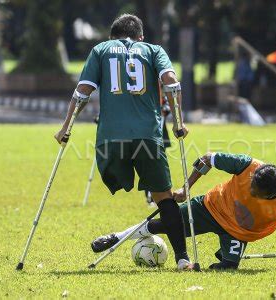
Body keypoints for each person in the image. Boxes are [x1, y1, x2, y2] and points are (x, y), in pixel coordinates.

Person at [54, 14, 193, 270]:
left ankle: (121, 180)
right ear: (141, 36)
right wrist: (178, 122)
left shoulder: (101, 50)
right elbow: (172, 83)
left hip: (110, 139)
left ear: (112, 36)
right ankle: (183, 259)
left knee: (116, 178)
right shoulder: (153, 50)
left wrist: (66, 127)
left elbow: (82, 91)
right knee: (164, 196)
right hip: (148, 137)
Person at [92, 152, 276, 270]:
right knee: (168, 223)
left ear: (272, 194)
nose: (250, 190)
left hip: (239, 232)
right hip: (211, 207)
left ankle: (226, 255)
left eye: (256, 192)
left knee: (228, 267)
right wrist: (186, 187)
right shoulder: (249, 165)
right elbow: (208, 159)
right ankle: (116, 237)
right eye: (251, 184)